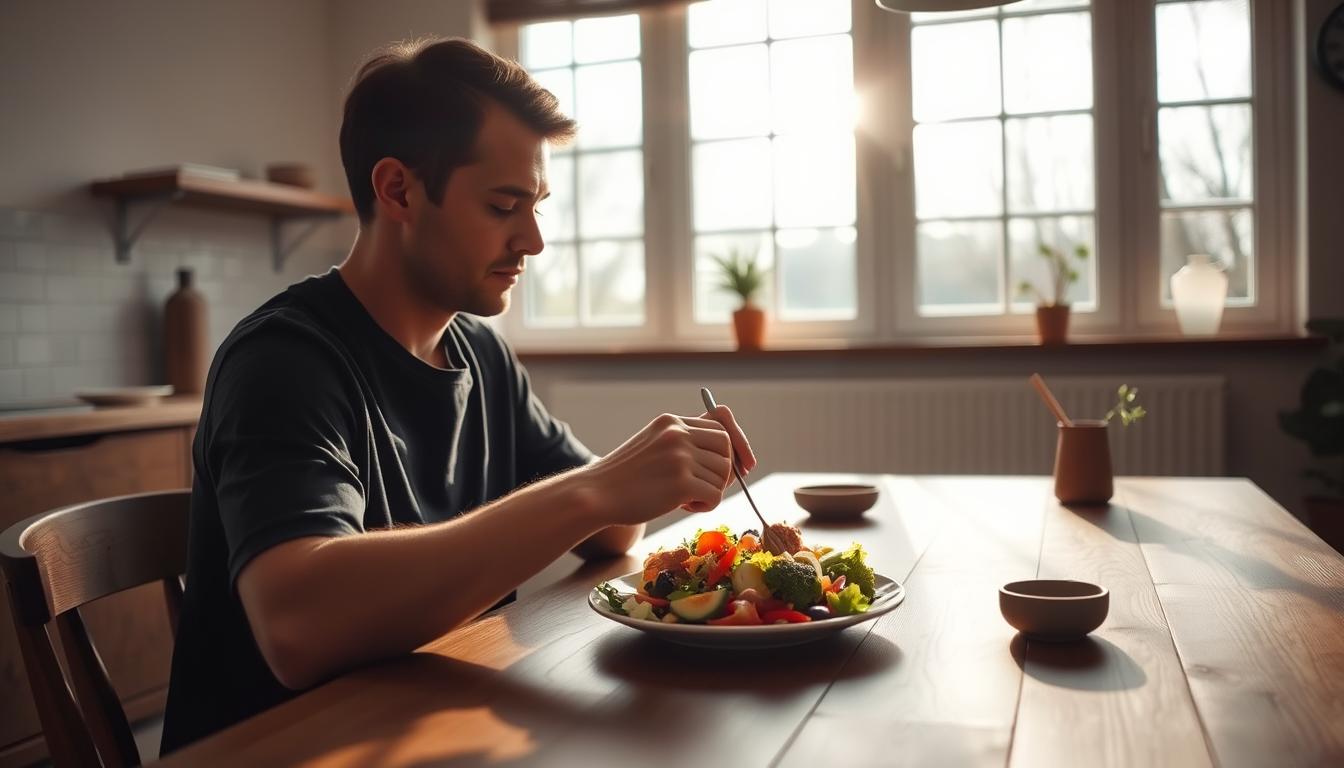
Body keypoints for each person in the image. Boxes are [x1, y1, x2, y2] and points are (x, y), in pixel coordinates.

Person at [160, 37, 756, 753]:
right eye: (505, 206)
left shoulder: (481, 354)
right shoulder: (283, 362)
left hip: (432, 730)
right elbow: (299, 627)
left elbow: (613, 531)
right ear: (398, 190)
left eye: (534, 204)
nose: (533, 241)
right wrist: (597, 488)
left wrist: (650, 470)